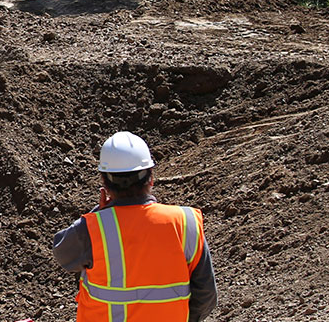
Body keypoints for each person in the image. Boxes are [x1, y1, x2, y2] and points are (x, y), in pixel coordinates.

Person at [51, 131, 218, 322]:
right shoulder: (185, 222)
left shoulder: (93, 228)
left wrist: (99, 212)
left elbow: (62, 252)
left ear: (104, 182)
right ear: (151, 177)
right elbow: (206, 294)